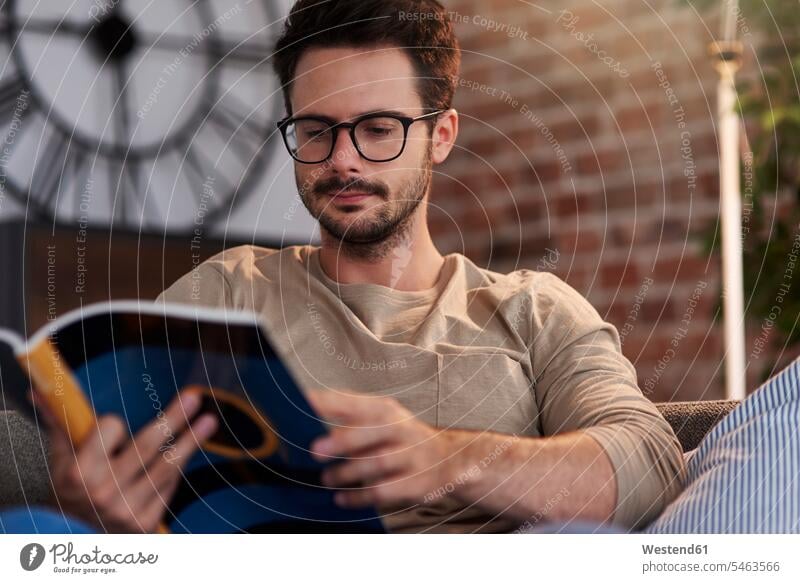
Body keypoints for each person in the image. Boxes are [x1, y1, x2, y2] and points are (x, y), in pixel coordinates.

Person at [41, 0, 685, 533]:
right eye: (317, 130)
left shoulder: (533, 309)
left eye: (378, 129)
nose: (343, 160)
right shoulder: (229, 290)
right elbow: (119, 453)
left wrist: (446, 458)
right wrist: (97, 500)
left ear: (441, 134)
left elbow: (651, 465)